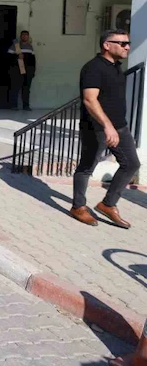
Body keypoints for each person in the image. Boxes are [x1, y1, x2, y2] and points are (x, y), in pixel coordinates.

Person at [70, 29, 139, 229]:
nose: (127, 46)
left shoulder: (116, 67)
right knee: (87, 167)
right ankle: (78, 207)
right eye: (122, 43)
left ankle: (108, 204)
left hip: (120, 126)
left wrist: (116, 127)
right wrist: (108, 126)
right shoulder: (93, 68)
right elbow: (89, 100)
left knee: (131, 164)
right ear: (106, 45)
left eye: (128, 43)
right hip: (96, 127)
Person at [7, 30, 36, 111]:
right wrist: (17, 57)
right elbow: (8, 57)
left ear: (28, 37)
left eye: (26, 35)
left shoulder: (30, 47)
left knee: (26, 89)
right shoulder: (15, 46)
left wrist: (33, 71)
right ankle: (14, 105)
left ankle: (26, 106)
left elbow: (33, 60)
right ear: (20, 36)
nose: (25, 37)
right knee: (15, 88)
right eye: (23, 35)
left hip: (28, 71)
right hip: (17, 71)